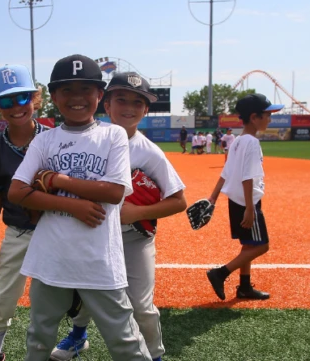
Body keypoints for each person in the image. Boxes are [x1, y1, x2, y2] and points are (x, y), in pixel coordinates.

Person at [7, 54, 152, 361]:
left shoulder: (112, 134)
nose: (77, 98)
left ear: (100, 95)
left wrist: (56, 178)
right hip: (51, 260)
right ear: (54, 96)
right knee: (38, 337)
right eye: (67, 90)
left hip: (99, 261)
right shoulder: (45, 141)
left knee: (125, 340)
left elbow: (114, 192)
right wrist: (71, 206)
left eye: (86, 89)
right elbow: (17, 190)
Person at [50, 72, 187, 361]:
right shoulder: (89, 139)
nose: (129, 107)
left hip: (134, 237)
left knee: (141, 305)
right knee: (85, 292)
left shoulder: (150, 152)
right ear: (106, 104)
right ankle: (78, 336)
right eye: (121, 99)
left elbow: (178, 201)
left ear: (146, 110)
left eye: (138, 102)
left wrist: (139, 212)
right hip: (94, 233)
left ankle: (155, 355)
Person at [0, 65, 47, 361]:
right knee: (3, 296)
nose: (16, 107)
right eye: (5, 102)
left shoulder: (56, 138)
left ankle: (77, 337)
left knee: (67, 296)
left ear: (36, 98)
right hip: (17, 232)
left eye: (22, 98)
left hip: (56, 230)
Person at [204, 93, 283, 301]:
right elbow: (247, 176)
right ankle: (220, 273)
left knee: (248, 244)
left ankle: (245, 287)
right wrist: (250, 207)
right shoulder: (251, 143)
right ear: (255, 117)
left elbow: (226, 172)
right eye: (267, 115)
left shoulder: (238, 141)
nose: (270, 119)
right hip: (247, 202)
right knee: (261, 245)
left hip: (237, 201)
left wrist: (212, 198)